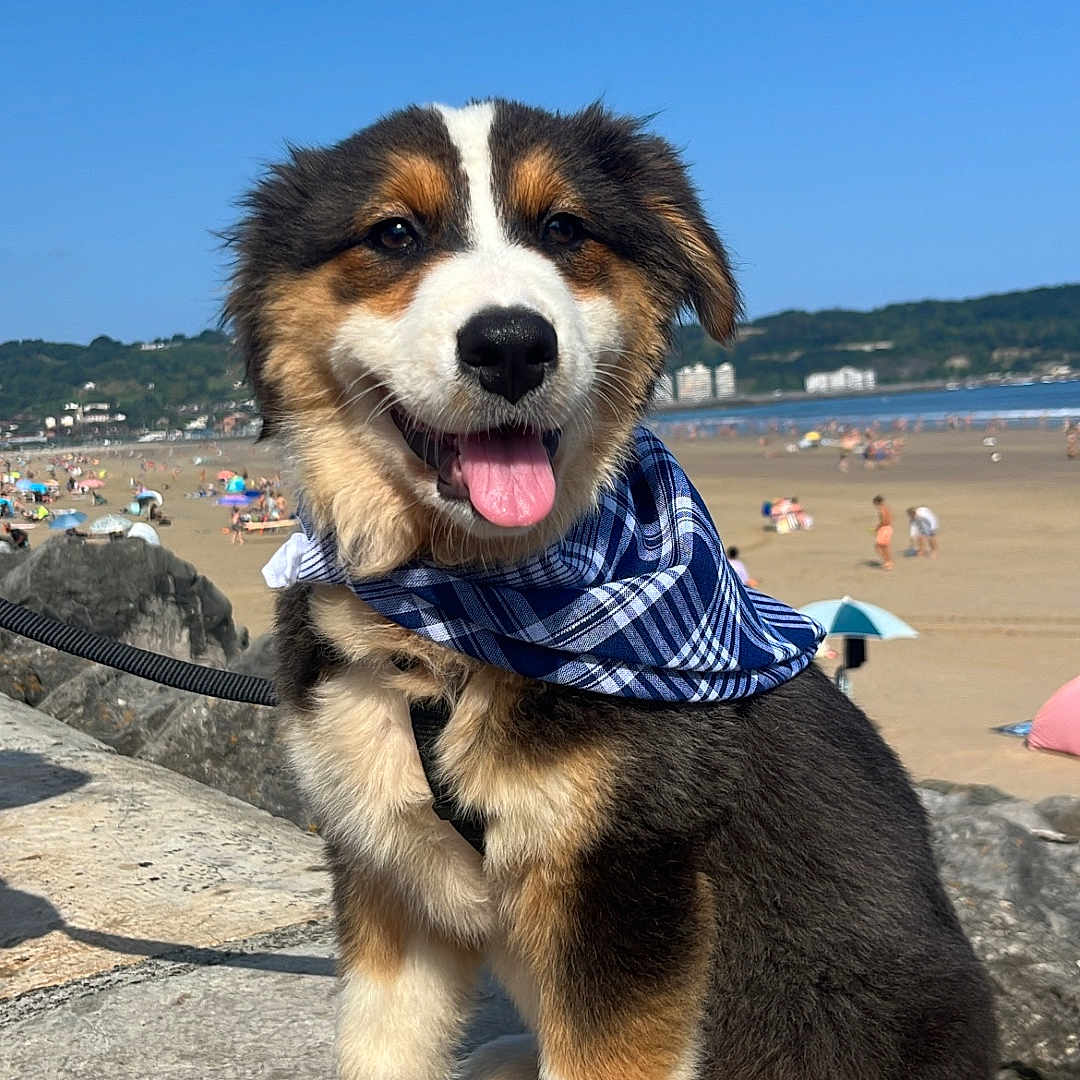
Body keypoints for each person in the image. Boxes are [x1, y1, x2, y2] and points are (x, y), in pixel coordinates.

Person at [872, 495, 894, 571]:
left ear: (877, 502)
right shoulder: (886, 508)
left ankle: (887, 562)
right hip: (887, 528)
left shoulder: (882, 510)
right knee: (883, 547)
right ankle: (888, 562)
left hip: (885, 529)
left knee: (879, 547)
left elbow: (884, 521)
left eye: (874, 503)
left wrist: (877, 528)